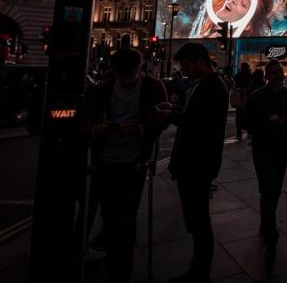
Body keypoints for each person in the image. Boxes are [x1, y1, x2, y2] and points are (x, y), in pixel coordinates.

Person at [83, 49, 168, 283]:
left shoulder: (153, 87)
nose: (128, 80)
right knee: (109, 215)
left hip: (134, 161)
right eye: (123, 76)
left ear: (139, 69)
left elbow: (163, 118)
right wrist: (100, 129)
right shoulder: (101, 90)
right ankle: (112, 261)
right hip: (106, 160)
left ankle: (123, 270)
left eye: (131, 74)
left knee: (126, 217)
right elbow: (87, 124)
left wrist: (141, 130)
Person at [156, 43, 229, 283]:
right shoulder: (201, 84)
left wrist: (174, 116)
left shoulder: (214, 87)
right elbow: (195, 117)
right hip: (192, 161)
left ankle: (200, 272)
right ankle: (198, 267)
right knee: (195, 218)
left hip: (199, 162)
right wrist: (175, 108)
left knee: (199, 220)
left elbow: (203, 126)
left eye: (186, 66)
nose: (184, 70)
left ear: (200, 61)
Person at [245, 59, 287, 265]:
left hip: (282, 149)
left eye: (279, 72)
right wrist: (268, 121)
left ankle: (266, 220)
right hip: (263, 149)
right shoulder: (257, 97)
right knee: (267, 189)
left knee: (275, 190)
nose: (277, 76)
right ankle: (271, 239)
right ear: (266, 76)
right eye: (272, 73)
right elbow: (248, 123)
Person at [232, 62, 252, 139]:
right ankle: (249, 132)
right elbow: (251, 86)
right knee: (248, 115)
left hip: (239, 97)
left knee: (239, 115)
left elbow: (234, 86)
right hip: (247, 97)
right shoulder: (249, 76)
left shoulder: (237, 76)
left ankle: (239, 132)